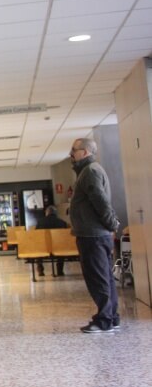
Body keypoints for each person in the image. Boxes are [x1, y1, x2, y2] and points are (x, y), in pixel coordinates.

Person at [69, 138, 121, 334]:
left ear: (84, 152)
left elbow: (100, 202)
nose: (71, 154)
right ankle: (111, 317)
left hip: (93, 236)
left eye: (74, 150)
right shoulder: (90, 170)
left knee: (98, 279)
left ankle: (104, 320)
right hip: (97, 234)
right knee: (105, 277)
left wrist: (112, 224)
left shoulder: (90, 171)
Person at [36, 205, 68, 276]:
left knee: (38, 247)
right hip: (58, 247)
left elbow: (37, 235)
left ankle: (40, 270)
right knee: (61, 247)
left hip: (44, 247)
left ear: (46, 213)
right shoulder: (62, 223)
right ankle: (59, 270)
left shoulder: (40, 222)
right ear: (56, 213)